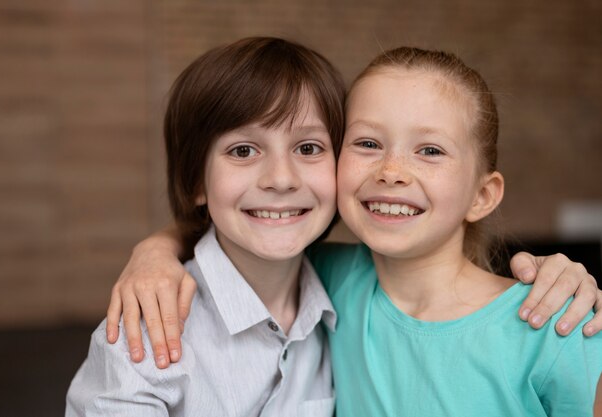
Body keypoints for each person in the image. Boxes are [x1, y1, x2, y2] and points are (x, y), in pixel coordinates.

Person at [106, 46, 602, 416]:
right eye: (367, 142)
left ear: (483, 195)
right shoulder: (327, 280)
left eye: (429, 151)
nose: (392, 171)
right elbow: (241, 230)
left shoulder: (556, 326)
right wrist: (155, 252)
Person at [66, 36, 345, 416]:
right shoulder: (146, 338)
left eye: (308, 148)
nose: (281, 179)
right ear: (197, 180)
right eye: (243, 150)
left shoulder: (350, 296)